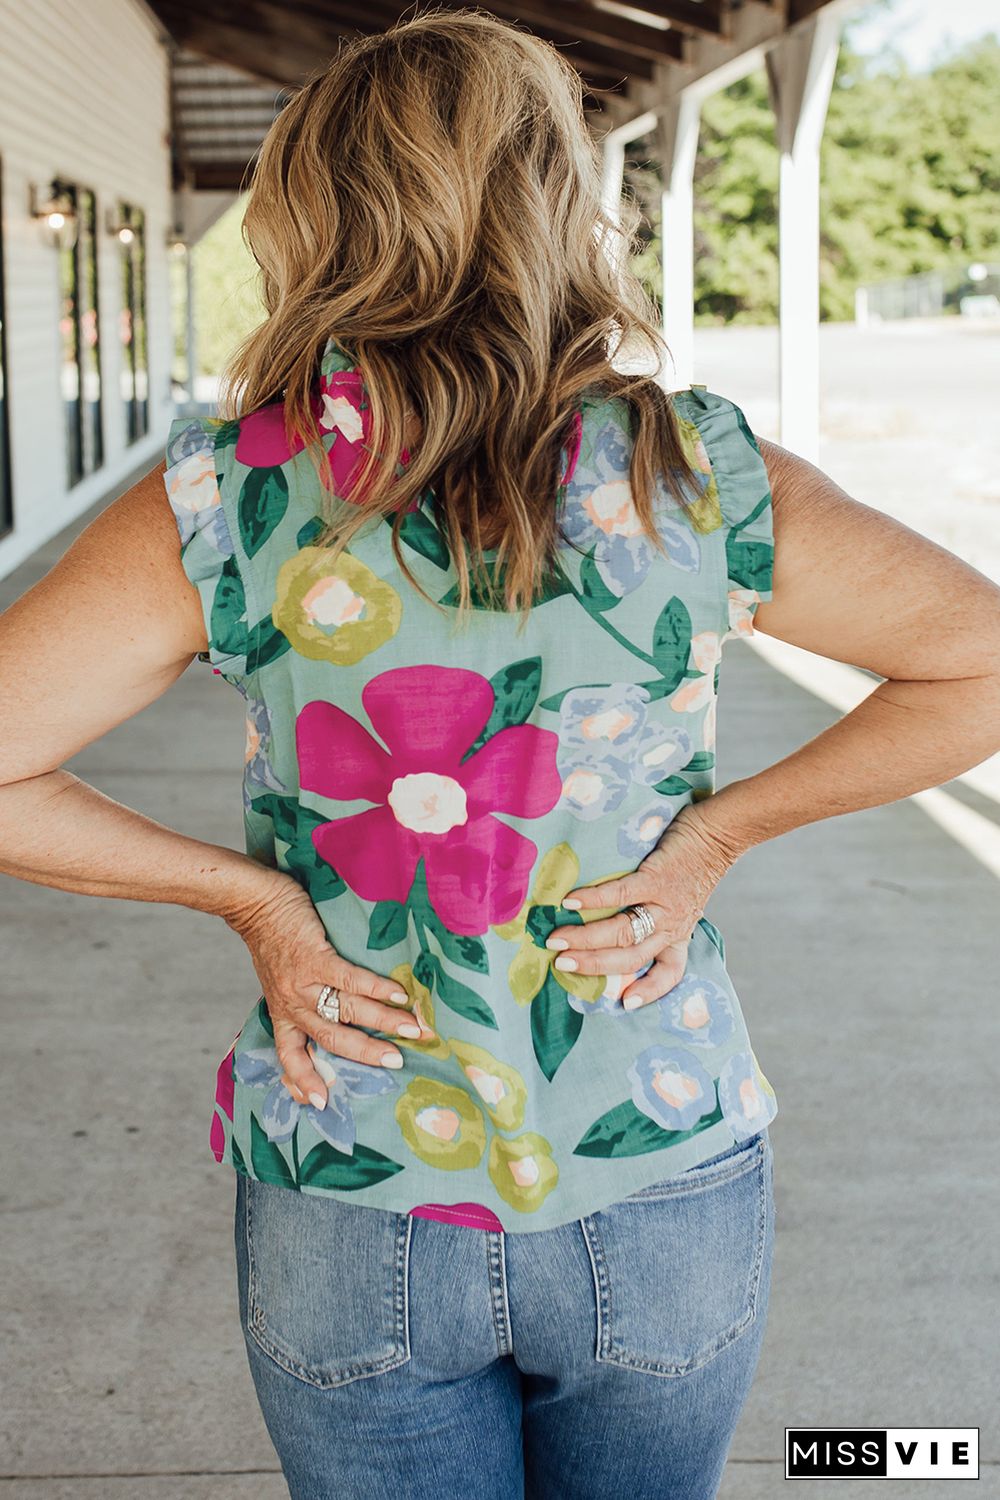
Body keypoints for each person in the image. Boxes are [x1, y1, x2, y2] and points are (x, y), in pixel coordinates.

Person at [2, 10, 999, 1499]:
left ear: (311, 212)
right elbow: (979, 657)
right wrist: (714, 842)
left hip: (354, 1177)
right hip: (655, 1158)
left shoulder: (227, 496)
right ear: (554, 202)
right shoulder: (692, 471)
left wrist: (260, 906)